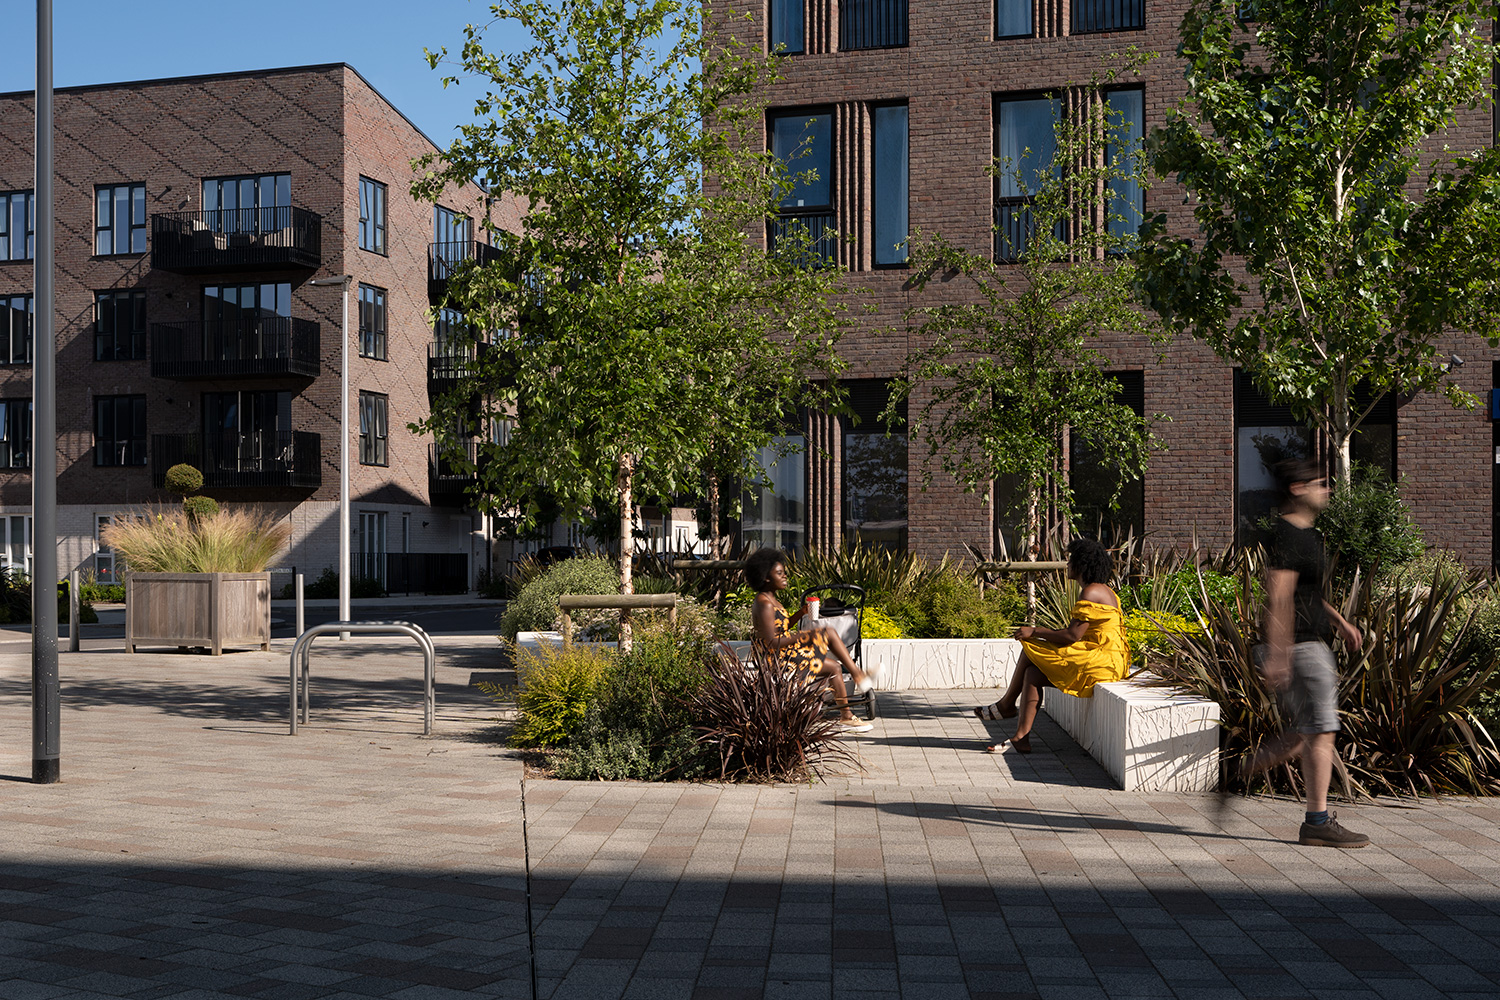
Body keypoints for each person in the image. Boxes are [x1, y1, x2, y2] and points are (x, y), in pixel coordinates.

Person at [1243, 457, 1369, 848]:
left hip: (1310, 641)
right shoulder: (1289, 535)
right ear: (1298, 490)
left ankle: (1237, 771)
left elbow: (1306, 594)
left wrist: (1340, 623)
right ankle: (1316, 822)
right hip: (1300, 646)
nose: (1327, 490)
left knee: (1304, 734)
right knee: (1323, 731)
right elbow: (1278, 593)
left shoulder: (1309, 536)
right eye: (1320, 483)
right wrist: (1280, 654)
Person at [974, 538, 1128, 753]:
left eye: (1071, 560)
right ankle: (1021, 737)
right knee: (1033, 674)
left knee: (1032, 646)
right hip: (1108, 658)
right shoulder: (1102, 590)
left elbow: (1073, 636)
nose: (1067, 565)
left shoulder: (1091, 592)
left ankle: (1007, 705)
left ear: (1082, 565)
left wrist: (1034, 631)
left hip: (1102, 661)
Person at [746, 547, 877, 733]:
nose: (785, 577)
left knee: (834, 666)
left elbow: (781, 628)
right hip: (774, 659)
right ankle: (857, 676)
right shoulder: (764, 603)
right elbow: (771, 643)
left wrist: (800, 613)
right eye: (780, 573)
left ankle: (846, 716)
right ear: (765, 577)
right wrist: (803, 637)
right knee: (828, 633)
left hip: (783, 654)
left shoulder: (770, 598)